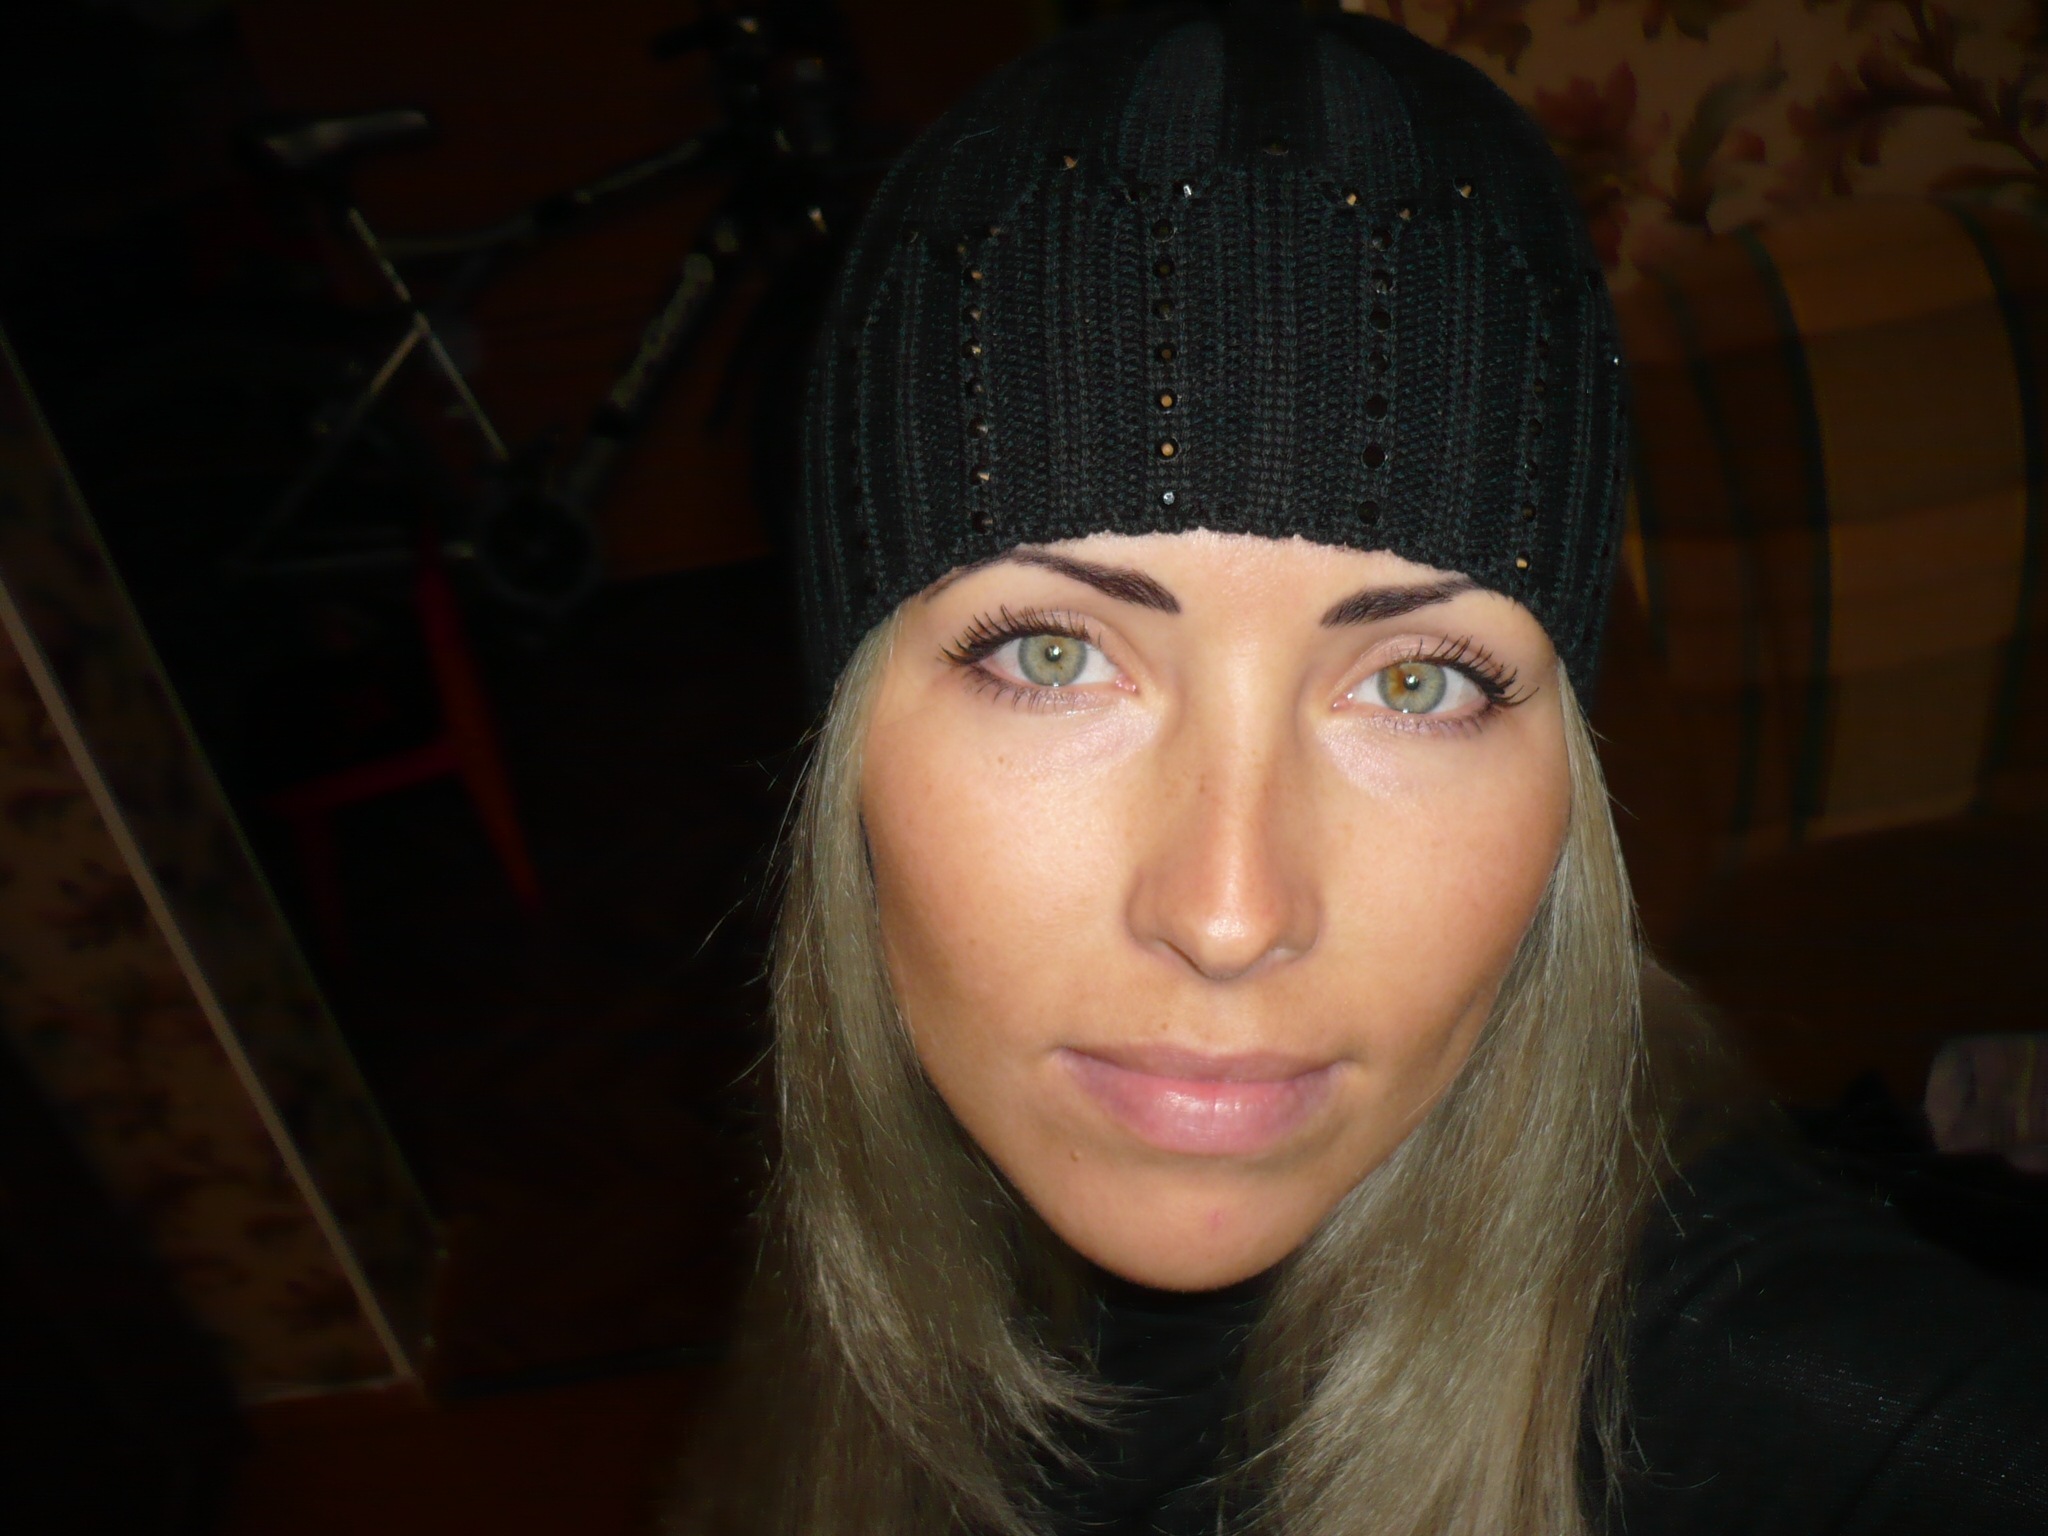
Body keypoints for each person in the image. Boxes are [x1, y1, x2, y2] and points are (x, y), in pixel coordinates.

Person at [671, 7, 2048, 1533]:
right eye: (1053, 658)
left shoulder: (1800, 1396)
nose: (1230, 913)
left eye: (1415, 683)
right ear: (846, 738)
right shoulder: (857, 1262)